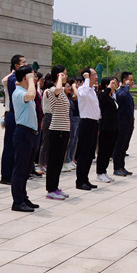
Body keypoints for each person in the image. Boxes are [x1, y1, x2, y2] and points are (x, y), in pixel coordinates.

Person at [10, 65, 40, 212]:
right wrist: (30, 81)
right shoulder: (19, 92)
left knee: (26, 169)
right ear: (25, 78)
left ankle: (23, 197)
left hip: (30, 133)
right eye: (32, 76)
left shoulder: (25, 91)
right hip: (23, 132)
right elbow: (32, 95)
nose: (34, 79)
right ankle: (17, 201)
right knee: (20, 169)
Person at [43, 65, 73, 200]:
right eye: (64, 74)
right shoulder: (52, 90)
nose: (66, 76)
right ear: (59, 75)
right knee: (54, 161)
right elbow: (57, 89)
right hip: (56, 130)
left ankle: (55, 187)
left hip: (64, 129)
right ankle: (50, 189)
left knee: (59, 161)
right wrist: (60, 78)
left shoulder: (62, 92)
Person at [0, 54, 26, 185]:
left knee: (18, 147)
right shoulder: (13, 79)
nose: (26, 64)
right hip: (13, 114)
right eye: (23, 62)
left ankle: (15, 173)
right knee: (10, 146)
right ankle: (6, 175)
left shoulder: (20, 78)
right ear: (16, 65)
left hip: (20, 115)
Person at [75, 67, 100, 191]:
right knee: (84, 153)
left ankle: (85, 178)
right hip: (86, 123)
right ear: (87, 76)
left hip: (94, 123)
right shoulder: (82, 89)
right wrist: (85, 80)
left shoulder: (92, 90)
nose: (96, 77)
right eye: (94, 74)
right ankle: (80, 181)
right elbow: (83, 95)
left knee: (90, 154)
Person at [95, 77, 119, 183]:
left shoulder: (112, 96)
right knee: (103, 151)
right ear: (106, 85)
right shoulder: (102, 95)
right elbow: (102, 100)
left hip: (113, 127)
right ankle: (99, 173)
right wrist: (108, 88)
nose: (115, 85)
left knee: (109, 151)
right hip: (105, 127)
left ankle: (104, 171)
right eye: (112, 83)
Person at [113, 71, 135, 176]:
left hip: (129, 122)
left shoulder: (127, 92)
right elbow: (122, 97)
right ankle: (117, 168)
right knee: (120, 145)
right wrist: (126, 86)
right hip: (122, 121)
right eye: (130, 80)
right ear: (125, 80)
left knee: (125, 146)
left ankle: (122, 166)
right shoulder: (120, 91)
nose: (132, 82)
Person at [62, 76, 81, 172]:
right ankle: (66, 160)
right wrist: (73, 86)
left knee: (74, 140)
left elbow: (77, 95)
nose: (70, 88)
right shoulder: (64, 97)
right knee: (70, 140)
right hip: (69, 120)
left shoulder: (71, 96)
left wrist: (73, 88)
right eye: (68, 86)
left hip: (76, 119)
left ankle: (70, 159)